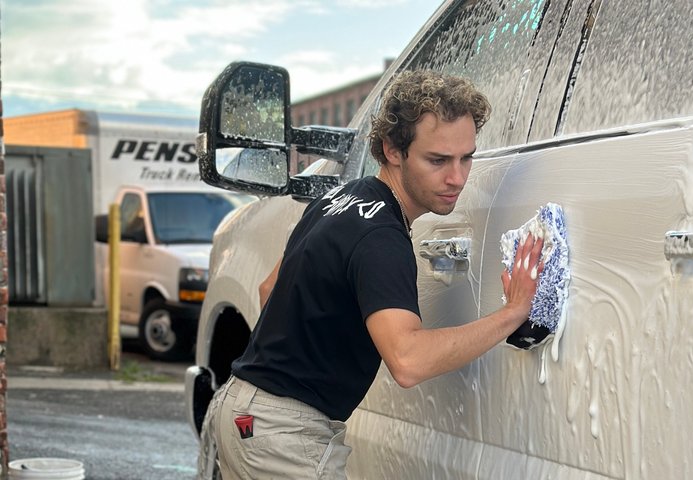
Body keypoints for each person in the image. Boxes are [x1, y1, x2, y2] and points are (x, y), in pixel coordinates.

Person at [202, 70, 545, 479]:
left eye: (466, 157)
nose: (456, 177)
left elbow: (268, 288)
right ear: (392, 150)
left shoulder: (338, 199)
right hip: (282, 437)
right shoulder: (382, 236)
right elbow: (408, 361)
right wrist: (512, 312)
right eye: (437, 160)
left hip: (242, 411)